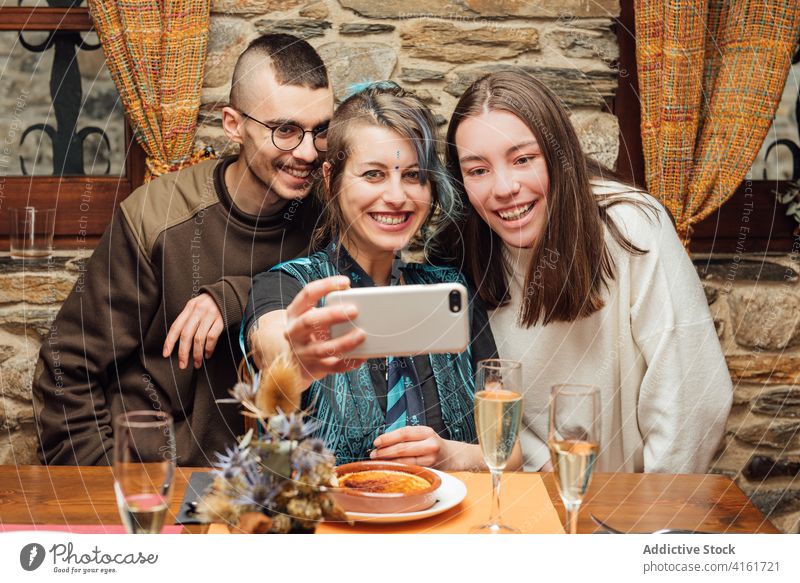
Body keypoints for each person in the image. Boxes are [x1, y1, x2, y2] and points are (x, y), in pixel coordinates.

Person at [32, 34, 334, 466]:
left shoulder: (329, 216)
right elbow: (67, 366)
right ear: (234, 124)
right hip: (161, 480)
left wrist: (236, 296)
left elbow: (346, 315)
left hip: (276, 483)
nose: (306, 151)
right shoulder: (157, 217)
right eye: (285, 130)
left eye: (320, 131)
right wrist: (109, 478)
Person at [443, 71, 733, 473]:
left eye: (523, 159)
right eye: (478, 170)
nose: (504, 187)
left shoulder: (630, 226)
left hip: (630, 508)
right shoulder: (464, 249)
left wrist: (643, 517)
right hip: (527, 504)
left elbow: (692, 399)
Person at [243, 82, 518, 470]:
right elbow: (270, 341)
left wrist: (451, 454)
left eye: (412, 175)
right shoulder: (285, 286)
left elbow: (510, 449)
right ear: (329, 179)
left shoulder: (452, 293)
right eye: (373, 174)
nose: (396, 196)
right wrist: (292, 362)